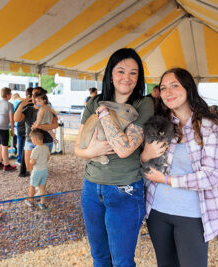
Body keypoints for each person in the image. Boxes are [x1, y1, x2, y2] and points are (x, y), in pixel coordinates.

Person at [74, 48, 154, 266]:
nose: (126, 78)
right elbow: (78, 148)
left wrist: (104, 112)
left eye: (133, 73)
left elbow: (124, 149)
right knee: (99, 257)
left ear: (139, 77)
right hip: (91, 188)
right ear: (110, 73)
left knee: (122, 261)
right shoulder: (94, 101)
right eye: (120, 71)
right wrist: (91, 152)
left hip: (124, 190)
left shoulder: (142, 104)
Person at [140, 68, 218, 267]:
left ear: (188, 88)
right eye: (163, 88)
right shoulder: (158, 124)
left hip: (193, 214)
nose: (168, 92)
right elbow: (144, 167)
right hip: (157, 211)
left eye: (174, 85)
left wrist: (166, 180)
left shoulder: (209, 127)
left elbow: (212, 177)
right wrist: (144, 155)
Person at [14, 87, 58, 173]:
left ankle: (39, 184)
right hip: (30, 140)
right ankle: (35, 183)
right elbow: (16, 119)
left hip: (45, 141)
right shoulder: (28, 109)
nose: (33, 97)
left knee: (40, 167)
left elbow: (55, 125)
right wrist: (21, 105)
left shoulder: (47, 109)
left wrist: (40, 126)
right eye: (33, 95)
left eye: (36, 95)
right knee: (29, 167)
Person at [24, 128, 51, 210]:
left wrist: (30, 161)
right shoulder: (46, 147)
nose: (32, 141)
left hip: (37, 171)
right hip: (45, 171)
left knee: (32, 186)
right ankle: (42, 203)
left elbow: (33, 162)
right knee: (42, 187)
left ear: (35, 139)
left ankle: (31, 200)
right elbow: (48, 157)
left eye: (32, 139)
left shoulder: (35, 150)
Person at [17, 88, 33, 177]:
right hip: (24, 129)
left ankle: (23, 169)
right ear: (29, 96)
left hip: (20, 128)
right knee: (25, 150)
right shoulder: (28, 104)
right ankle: (23, 171)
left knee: (23, 149)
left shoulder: (21, 103)